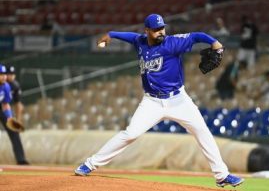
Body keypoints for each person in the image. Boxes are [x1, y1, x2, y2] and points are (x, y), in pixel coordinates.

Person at [74, 14, 244, 187]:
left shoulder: (173, 43)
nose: (160, 32)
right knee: (130, 134)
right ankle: (90, 164)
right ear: (147, 31)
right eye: (155, 30)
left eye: (162, 28)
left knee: (202, 131)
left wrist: (215, 43)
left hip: (178, 100)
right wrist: (110, 35)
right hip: (152, 102)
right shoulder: (140, 41)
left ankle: (221, 175)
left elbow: (197, 35)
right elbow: (124, 35)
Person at [0, 65, 29, 165]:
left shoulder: (6, 86)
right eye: (1, 74)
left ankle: (21, 159)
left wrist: (10, 118)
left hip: (2, 110)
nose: (4, 76)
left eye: (4, 74)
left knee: (14, 131)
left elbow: (5, 104)